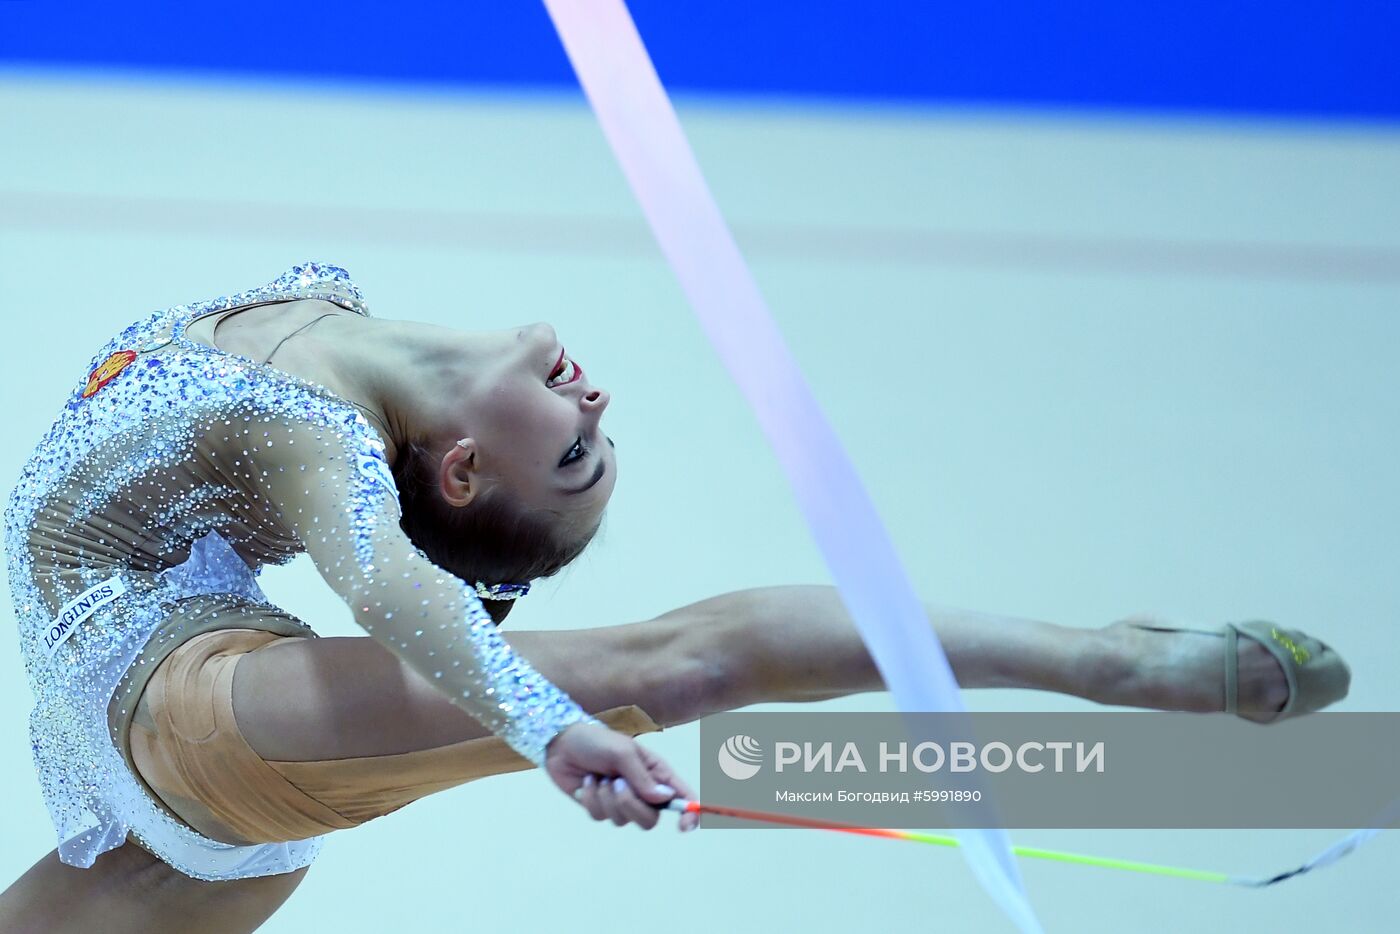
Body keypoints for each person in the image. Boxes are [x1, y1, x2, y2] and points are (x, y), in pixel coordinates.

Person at [0, 263, 1350, 934]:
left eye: (576, 450)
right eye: (586, 449)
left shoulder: (323, 438)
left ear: (462, 467)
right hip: (173, 773)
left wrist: (546, 726)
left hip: (185, 707)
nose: (594, 402)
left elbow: (395, 585)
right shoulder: (318, 294)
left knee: (684, 662)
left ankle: (1119, 664)